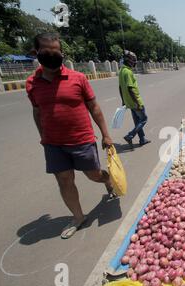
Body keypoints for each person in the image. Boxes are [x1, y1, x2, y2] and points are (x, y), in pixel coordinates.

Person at [26, 33, 117, 239]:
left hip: (81, 139)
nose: (52, 54)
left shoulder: (78, 78)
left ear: (61, 52)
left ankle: (108, 181)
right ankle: (78, 217)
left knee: (94, 175)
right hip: (53, 143)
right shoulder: (32, 83)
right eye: (47, 51)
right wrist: (42, 136)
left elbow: (94, 107)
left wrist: (105, 134)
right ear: (37, 53)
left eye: (56, 50)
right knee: (64, 180)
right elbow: (37, 110)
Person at [119, 51, 151, 149]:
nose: (134, 62)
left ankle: (142, 139)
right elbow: (130, 88)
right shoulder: (128, 72)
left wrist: (123, 100)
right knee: (144, 119)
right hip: (135, 101)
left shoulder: (121, 71)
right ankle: (130, 135)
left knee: (137, 122)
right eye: (133, 60)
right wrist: (137, 103)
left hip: (129, 102)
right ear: (128, 61)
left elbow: (120, 88)